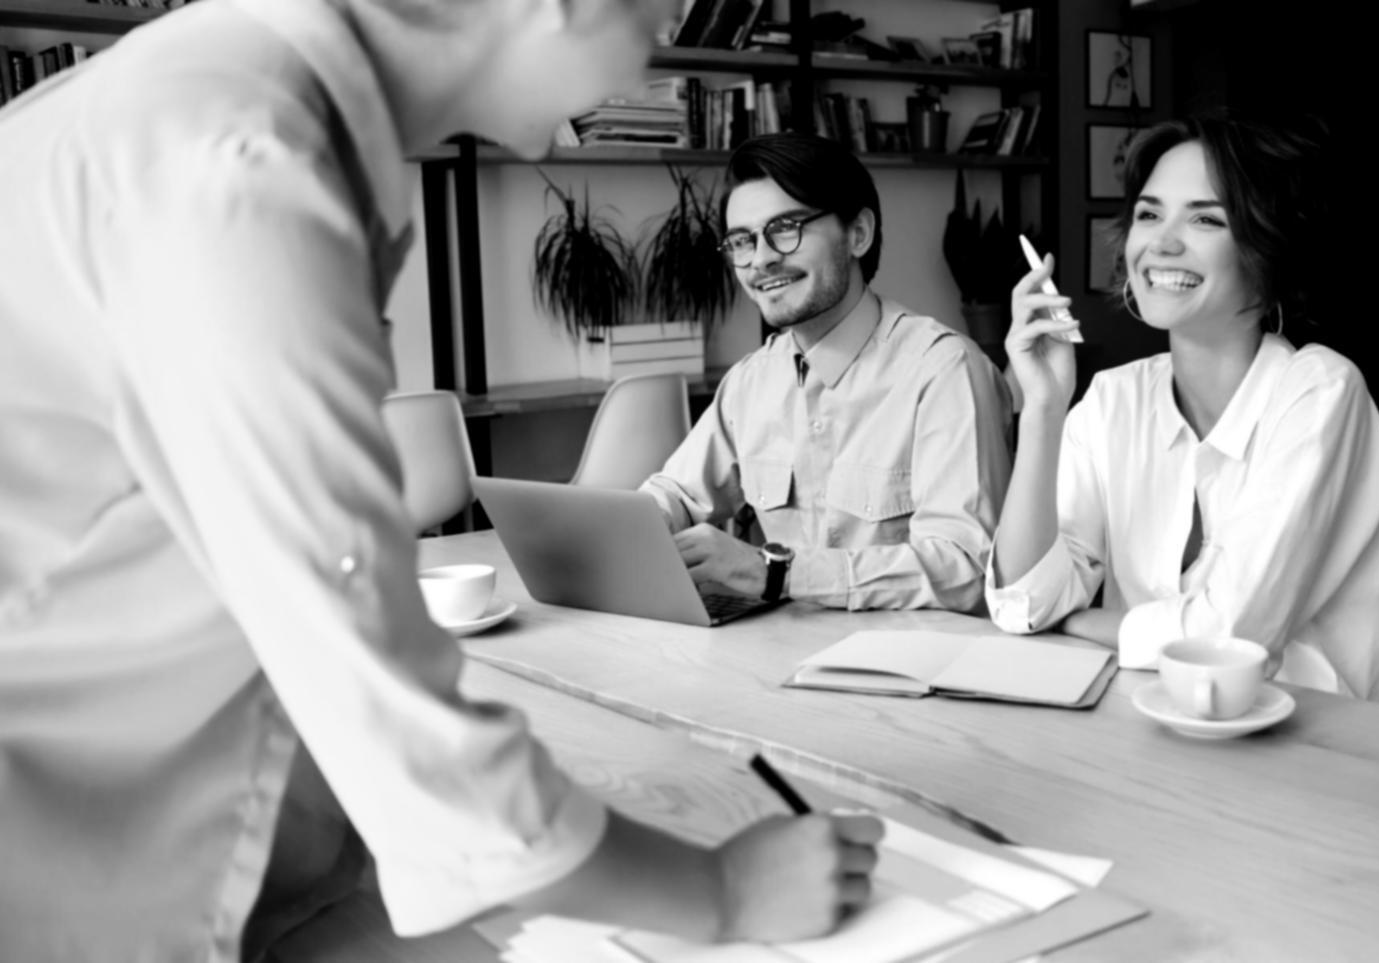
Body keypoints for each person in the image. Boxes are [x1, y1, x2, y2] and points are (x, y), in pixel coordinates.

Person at [0, 2, 882, 961]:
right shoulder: (241, 167)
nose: (645, 69)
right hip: (75, 864)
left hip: (173, 837)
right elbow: (361, 655)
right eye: (652, 14)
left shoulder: (227, 106)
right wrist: (720, 891)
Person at [987, 112, 1379, 715]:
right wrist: (1044, 410)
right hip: (1172, 727)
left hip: (1340, 741)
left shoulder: (1321, 393)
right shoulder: (1112, 400)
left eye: (1205, 219)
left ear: (1266, 253)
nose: (1161, 242)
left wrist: (1077, 622)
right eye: (1149, 215)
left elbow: (1231, 637)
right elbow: (1024, 604)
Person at [641, 132, 1014, 613]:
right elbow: (676, 494)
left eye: (785, 229)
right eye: (742, 241)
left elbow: (965, 569)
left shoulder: (945, 372)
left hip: (910, 653)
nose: (761, 259)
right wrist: (628, 526)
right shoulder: (751, 381)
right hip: (782, 646)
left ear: (858, 233)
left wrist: (777, 573)